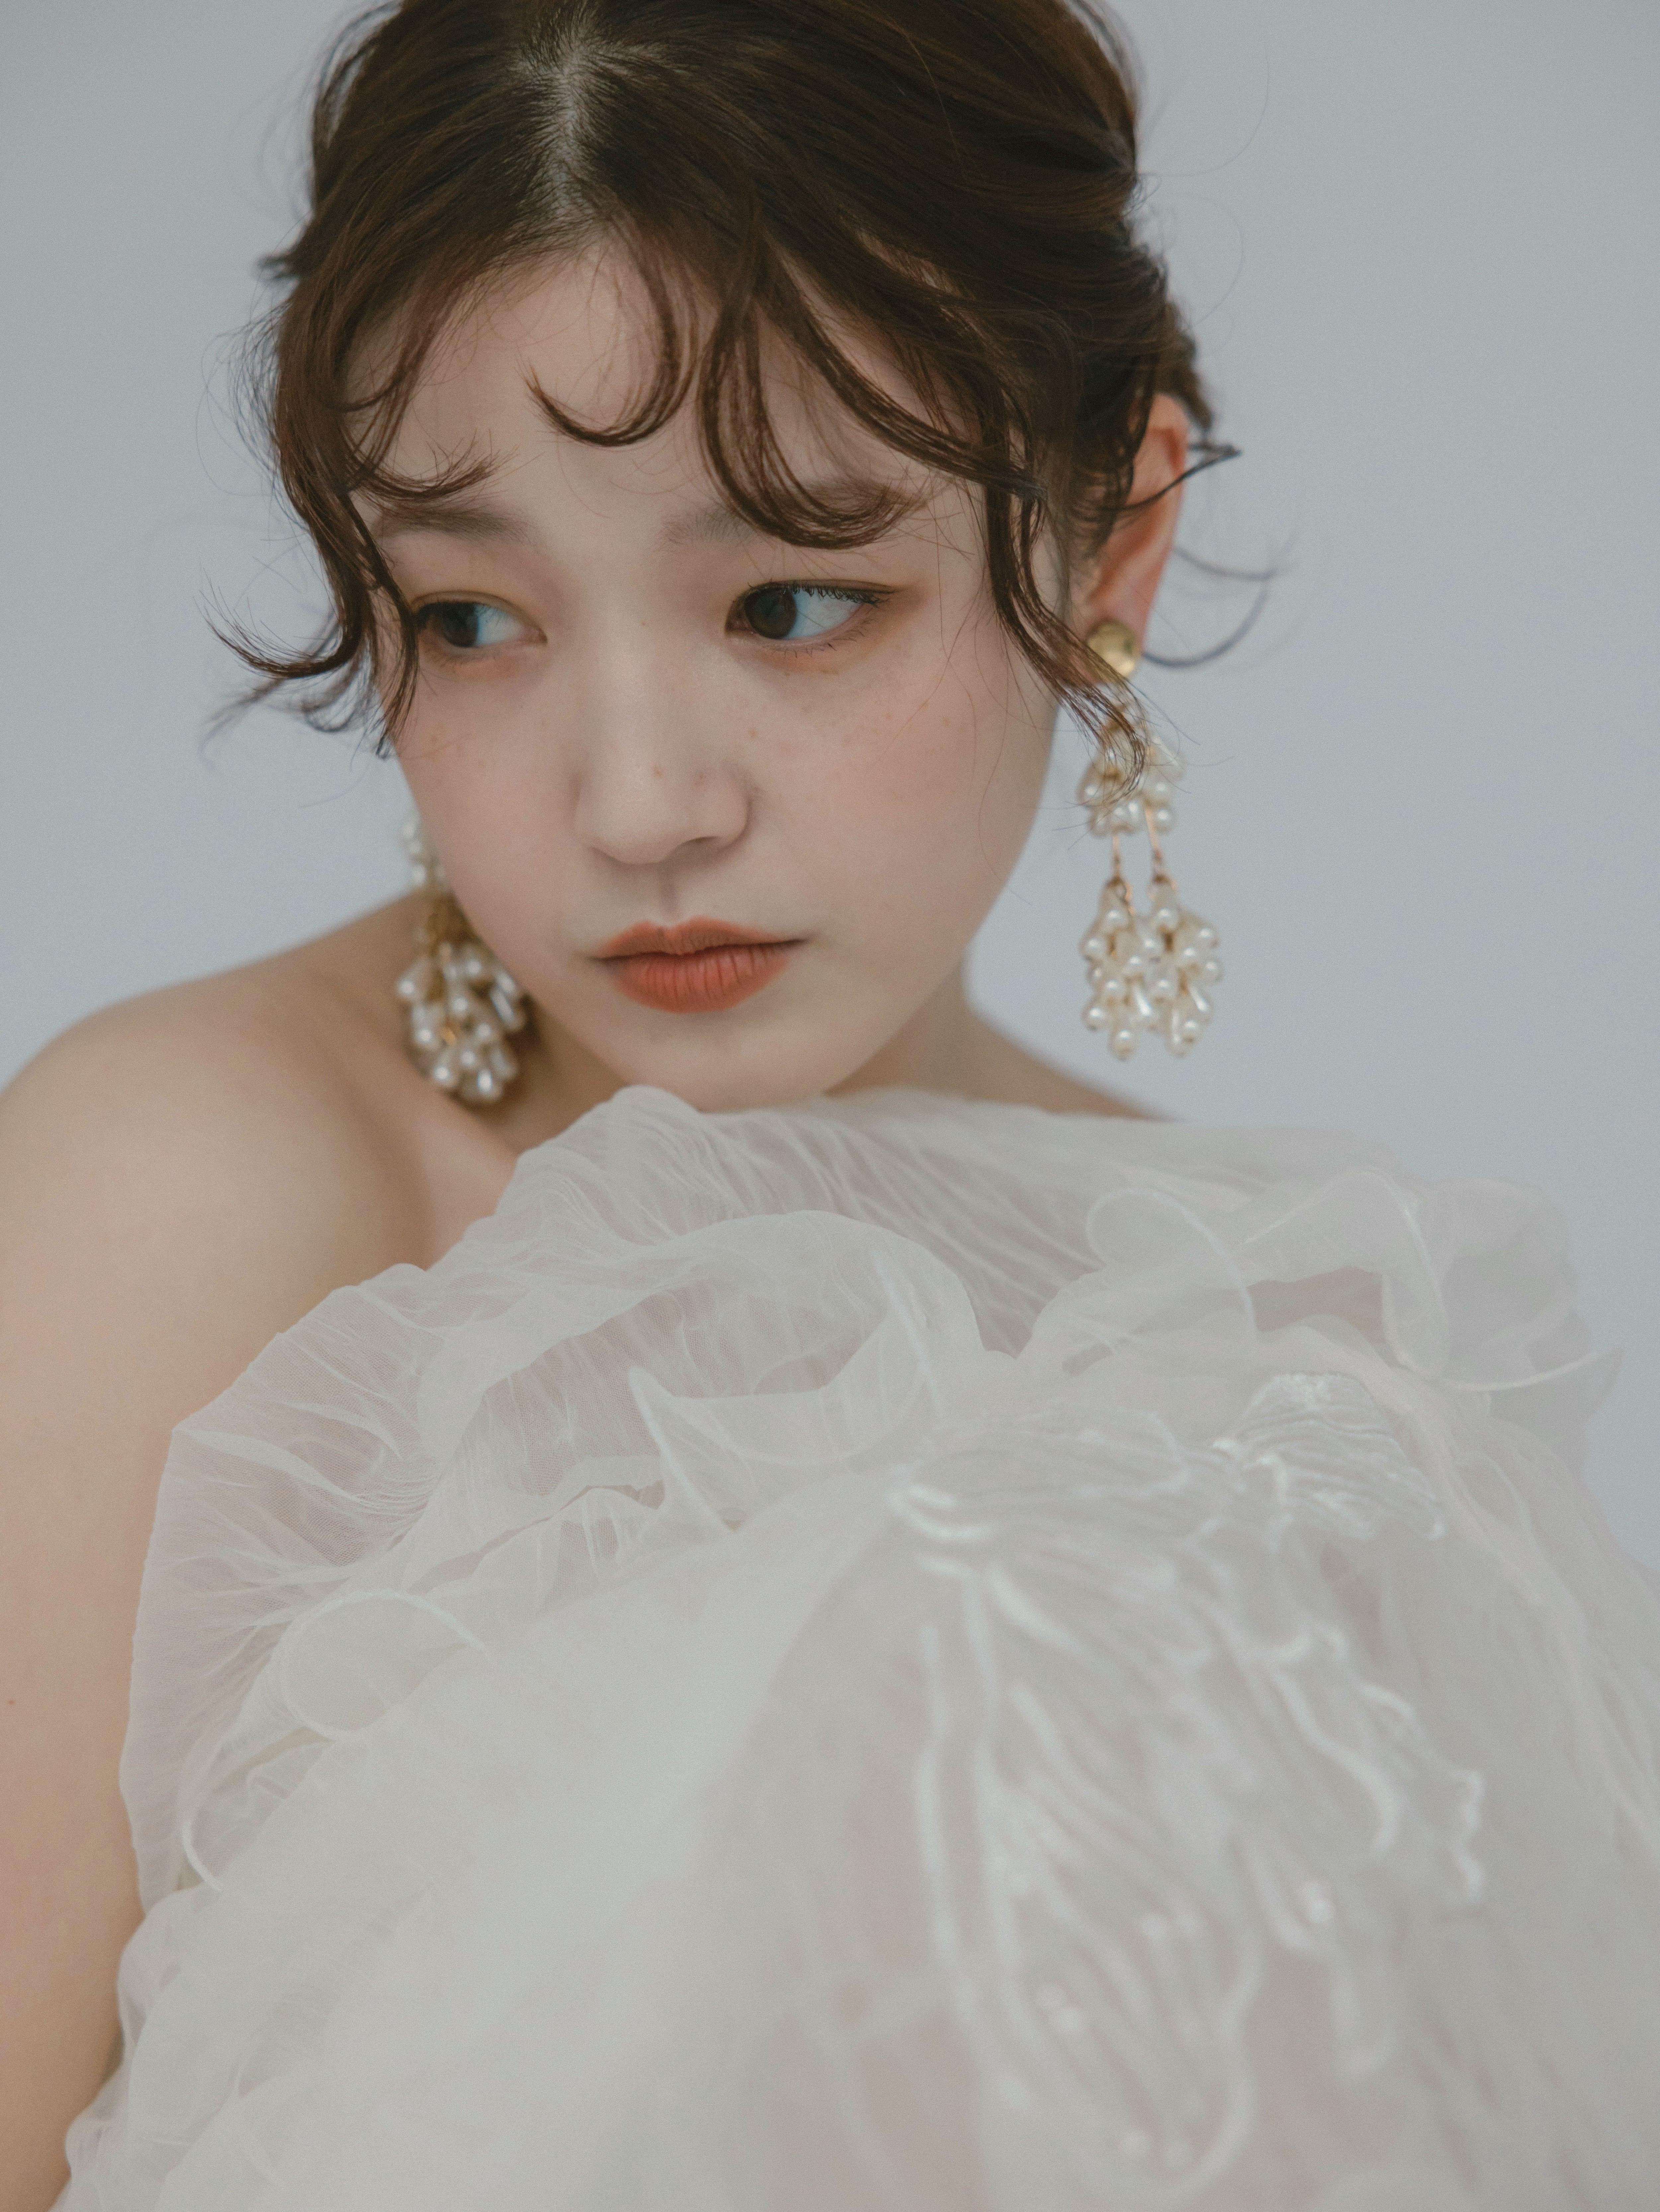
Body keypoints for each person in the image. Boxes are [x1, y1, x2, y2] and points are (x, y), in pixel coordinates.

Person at [3, 1, 1656, 2205]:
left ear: (1106, 541)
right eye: (471, 619)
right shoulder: (197, 1185)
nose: (637, 802)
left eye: (791, 600)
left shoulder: (1273, 1337)